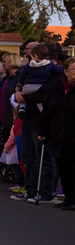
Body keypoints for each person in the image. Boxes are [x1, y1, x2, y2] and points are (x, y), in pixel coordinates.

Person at [14, 44, 62, 203]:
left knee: (45, 158)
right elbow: (21, 81)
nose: (27, 54)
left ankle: (46, 191)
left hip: (42, 120)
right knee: (28, 157)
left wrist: (24, 97)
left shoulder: (52, 73)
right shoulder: (29, 69)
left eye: (30, 52)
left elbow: (44, 94)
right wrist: (18, 91)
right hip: (28, 118)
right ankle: (31, 189)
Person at [38, 56, 75, 211]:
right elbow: (46, 111)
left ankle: (73, 199)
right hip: (58, 134)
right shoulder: (55, 88)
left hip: (73, 135)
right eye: (74, 69)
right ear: (65, 71)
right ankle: (68, 198)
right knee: (63, 167)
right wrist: (43, 130)